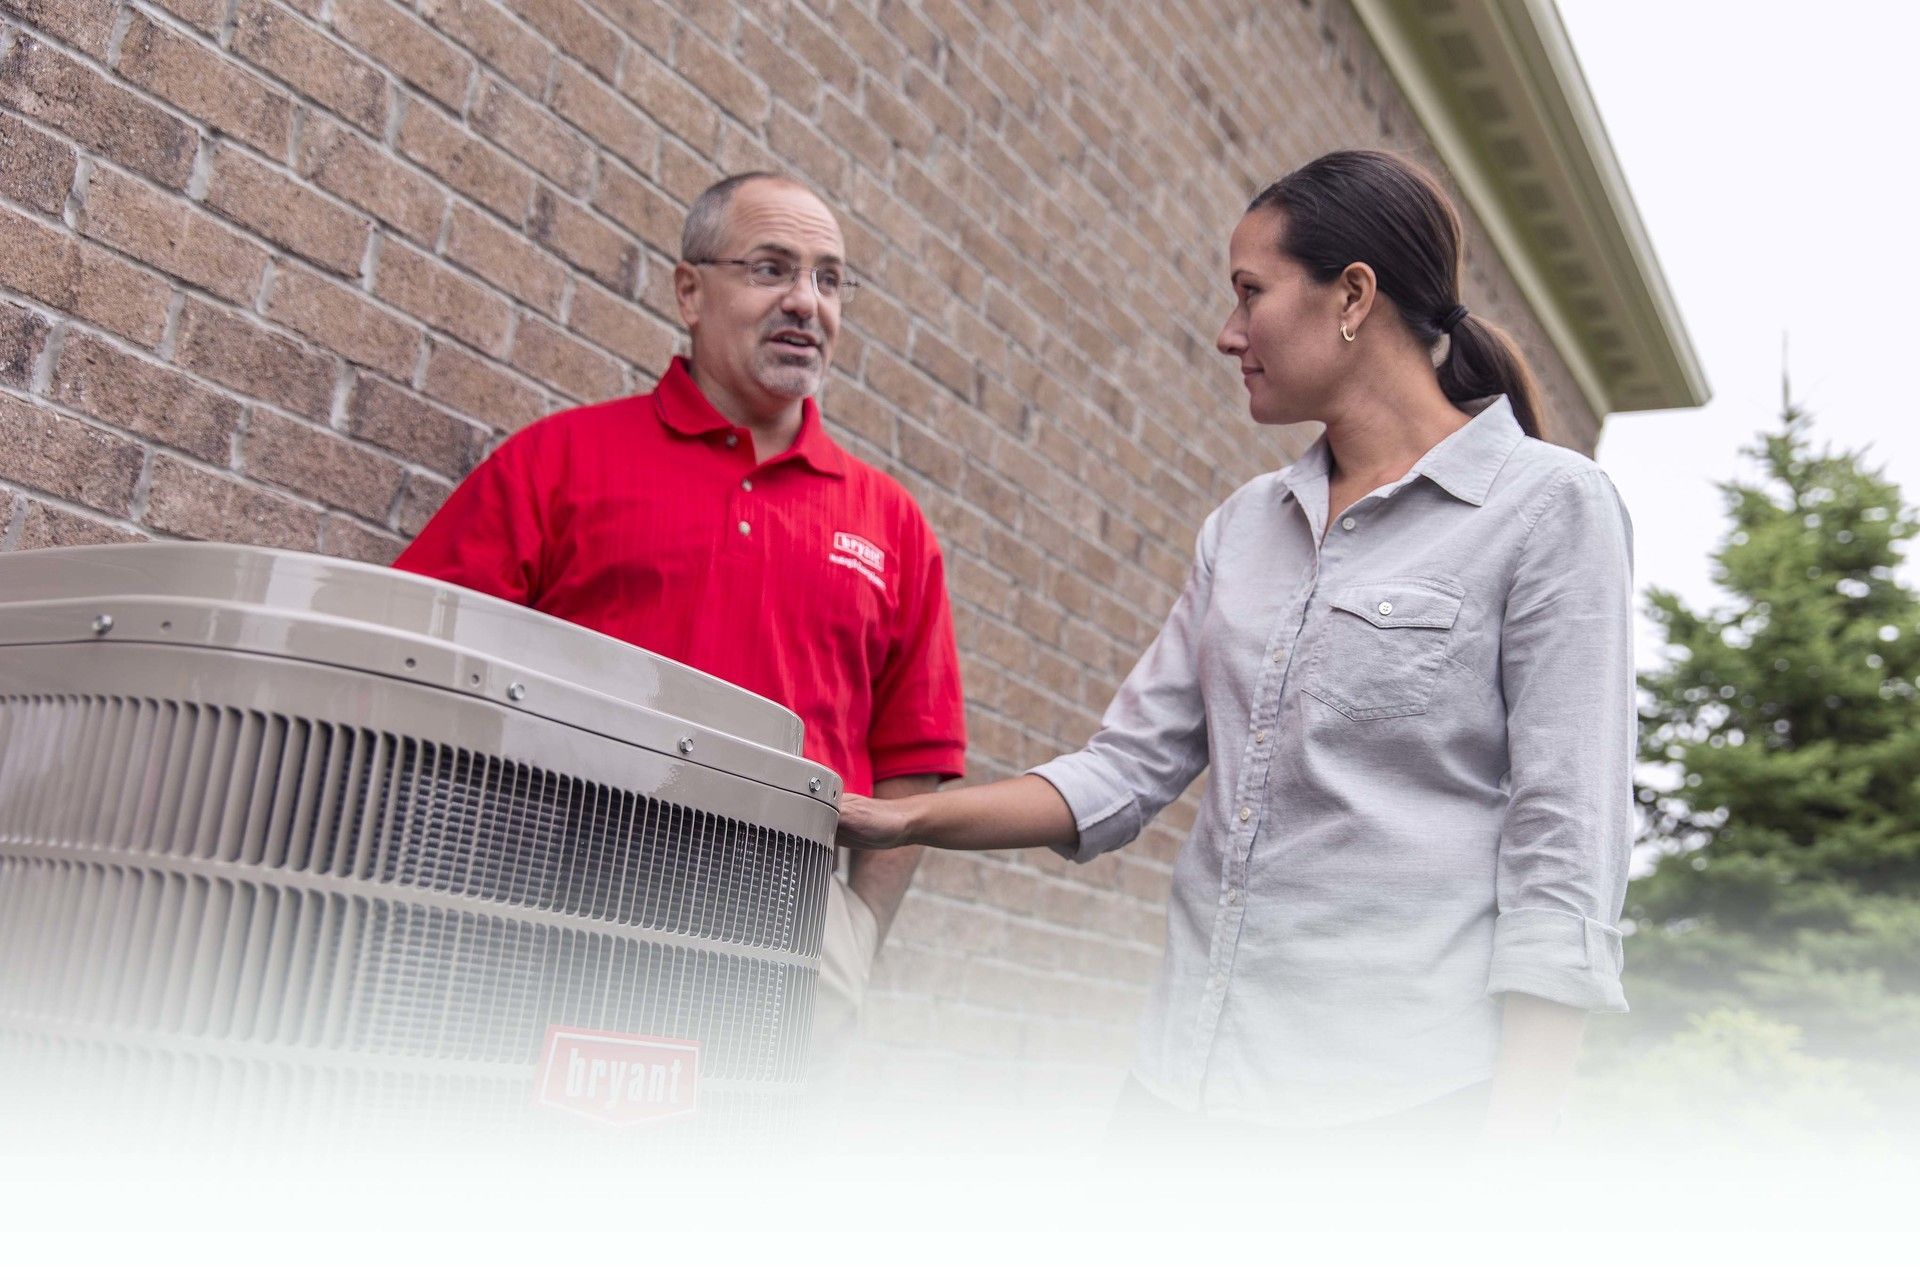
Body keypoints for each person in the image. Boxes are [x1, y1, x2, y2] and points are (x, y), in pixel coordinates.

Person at [838, 150, 1634, 1141]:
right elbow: (1124, 770)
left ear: (1353, 296)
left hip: (1394, 1118)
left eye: (1250, 294)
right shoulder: (1245, 525)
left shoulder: (1551, 508)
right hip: (1179, 1094)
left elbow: (1565, 856)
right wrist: (901, 821)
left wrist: (1514, 1154)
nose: (1227, 334)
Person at [394, 173, 967, 1059]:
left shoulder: (892, 525)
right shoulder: (560, 462)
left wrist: (853, 932)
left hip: (781, 919)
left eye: (828, 278)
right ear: (690, 291)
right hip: (551, 898)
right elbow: (413, 659)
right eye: (771, 269)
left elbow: (914, 761)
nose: (805, 303)